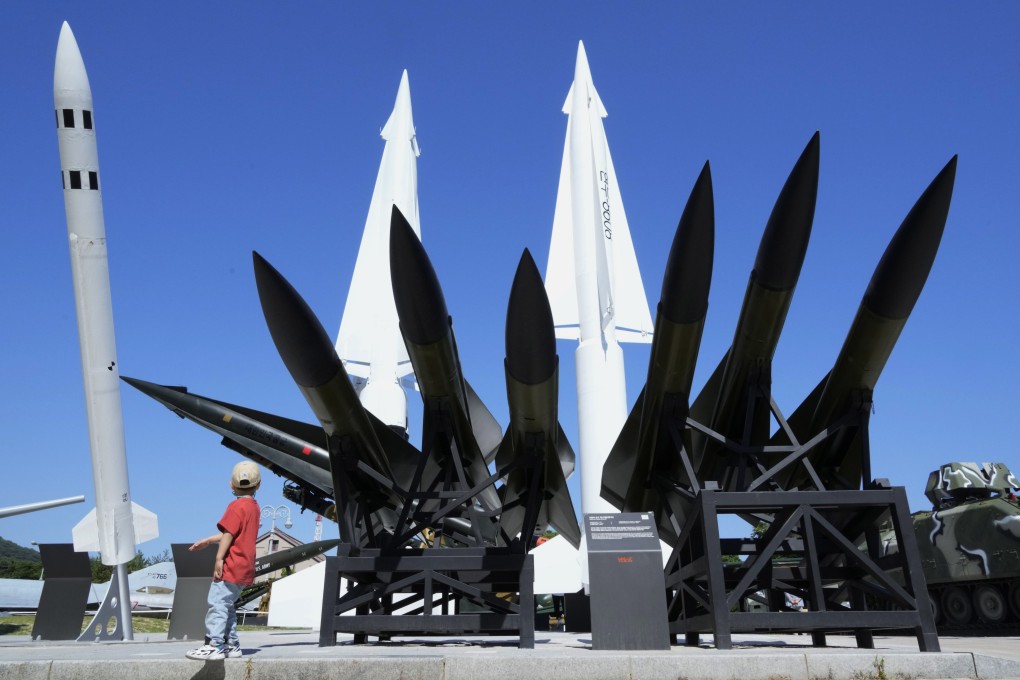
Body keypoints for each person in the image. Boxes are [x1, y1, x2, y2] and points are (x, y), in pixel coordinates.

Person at [185, 461, 261, 660]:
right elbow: (236, 534)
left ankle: (215, 644)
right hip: (245, 566)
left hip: (232, 564)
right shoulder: (254, 507)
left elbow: (228, 535)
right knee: (227, 604)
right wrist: (209, 540)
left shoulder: (235, 506)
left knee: (217, 603)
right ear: (258, 485)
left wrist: (219, 558)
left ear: (231, 485)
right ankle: (231, 645)